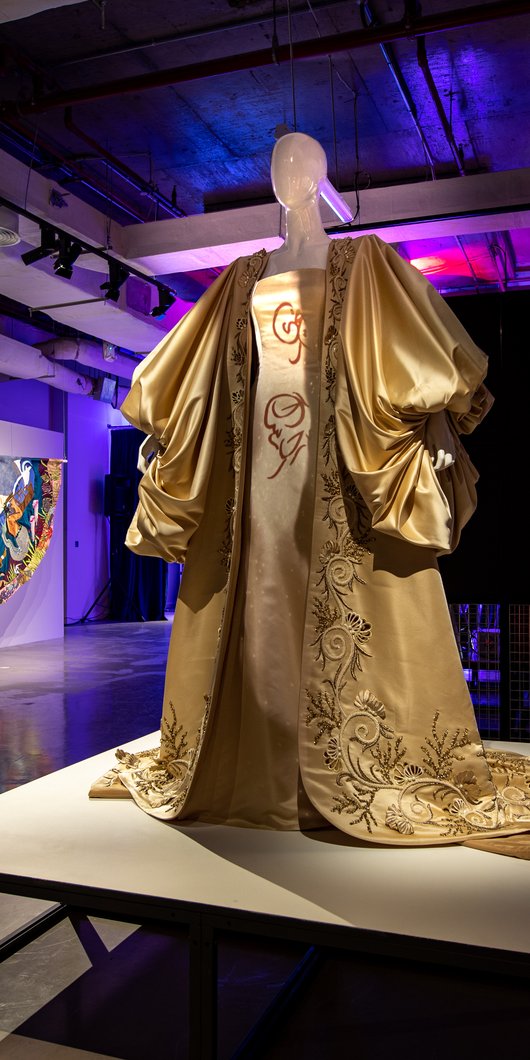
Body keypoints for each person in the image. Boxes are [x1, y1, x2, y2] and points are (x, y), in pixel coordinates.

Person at [91, 132, 530, 847]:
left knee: (343, 597)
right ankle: (259, 768)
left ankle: (350, 761)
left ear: (322, 175)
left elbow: (416, 350)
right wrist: (175, 435)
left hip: (339, 466)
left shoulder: (367, 262)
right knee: (257, 597)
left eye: (302, 164)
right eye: (278, 165)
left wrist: (427, 422)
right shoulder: (242, 276)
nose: (288, 175)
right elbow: (196, 368)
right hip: (258, 473)